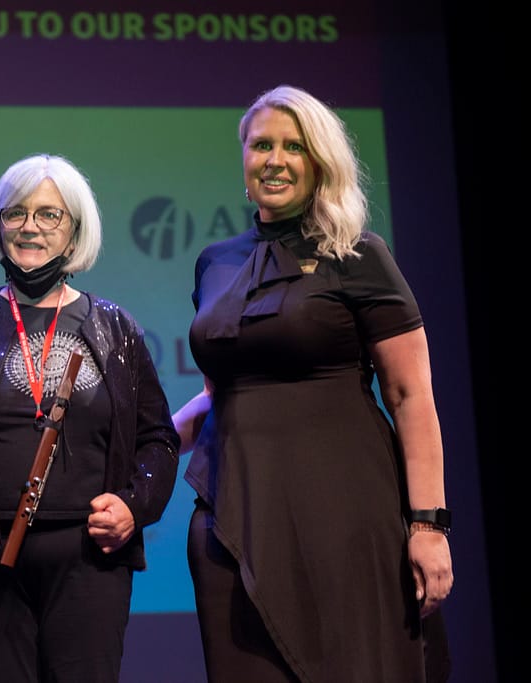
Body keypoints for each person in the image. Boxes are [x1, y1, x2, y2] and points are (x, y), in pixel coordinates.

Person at [172, 85, 453, 682]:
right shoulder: (215, 263)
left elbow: (410, 396)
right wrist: (144, 446)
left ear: (320, 161)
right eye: (261, 145)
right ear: (244, 158)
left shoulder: (358, 255)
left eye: (293, 146)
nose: (274, 159)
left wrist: (429, 526)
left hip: (342, 518)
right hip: (234, 519)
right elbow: (223, 393)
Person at [0, 153, 180, 682]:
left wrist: (135, 506)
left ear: (75, 231)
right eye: (15, 213)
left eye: (49, 214)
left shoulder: (115, 329)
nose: (30, 227)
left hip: (91, 555)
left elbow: (158, 438)